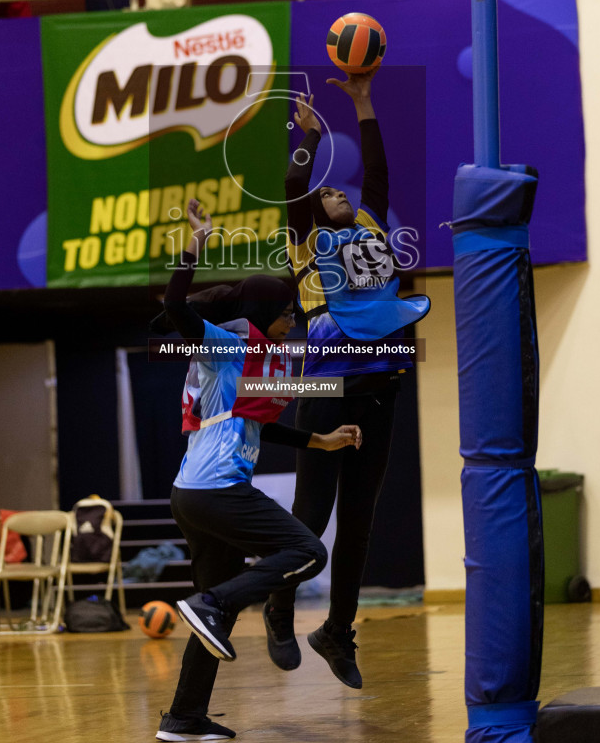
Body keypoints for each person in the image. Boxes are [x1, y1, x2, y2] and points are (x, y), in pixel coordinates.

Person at [152, 198, 362, 743]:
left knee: (210, 616)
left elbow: (260, 424)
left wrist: (321, 439)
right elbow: (176, 306)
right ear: (268, 310)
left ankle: (184, 717)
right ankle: (215, 603)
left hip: (195, 495)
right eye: (288, 311)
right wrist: (197, 242)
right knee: (309, 552)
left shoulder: (264, 356)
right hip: (214, 493)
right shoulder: (228, 344)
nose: (293, 318)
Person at [265, 71, 430, 689]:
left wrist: (363, 102)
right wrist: (307, 139)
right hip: (323, 388)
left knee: (359, 522)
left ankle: (337, 630)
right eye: (326, 190)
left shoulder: (371, 228)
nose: (337, 192)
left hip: (382, 387)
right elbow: (291, 183)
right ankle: (280, 611)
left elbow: (380, 174)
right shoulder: (305, 241)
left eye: (342, 190)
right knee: (310, 521)